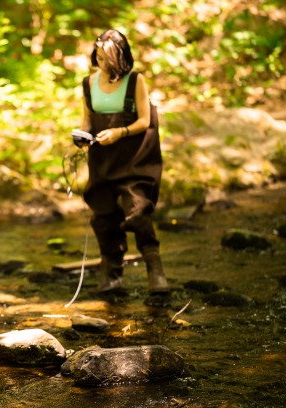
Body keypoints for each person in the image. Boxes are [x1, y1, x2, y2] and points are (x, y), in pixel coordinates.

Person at [77, 30, 169, 299]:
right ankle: (111, 272)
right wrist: (81, 136)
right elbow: (87, 120)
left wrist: (119, 132)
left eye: (106, 58)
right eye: (98, 57)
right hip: (101, 160)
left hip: (134, 158)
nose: (101, 63)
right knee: (103, 216)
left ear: (120, 57)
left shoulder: (135, 81)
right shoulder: (88, 83)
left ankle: (155, 269)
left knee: (138, 212)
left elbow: (144, 121)